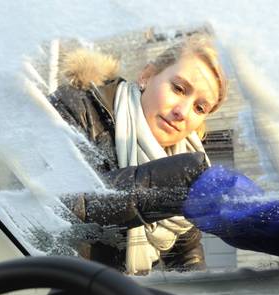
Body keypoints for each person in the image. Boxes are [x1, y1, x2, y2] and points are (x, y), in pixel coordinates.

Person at [48, 34, 228, 275]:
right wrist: (162, 184)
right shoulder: (76, 106)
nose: (182, 112)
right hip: (54, 283)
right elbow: (58, 204)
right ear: (147, 76)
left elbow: (188, 253)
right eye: (178, 88)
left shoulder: (186, 155)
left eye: (199, 107)